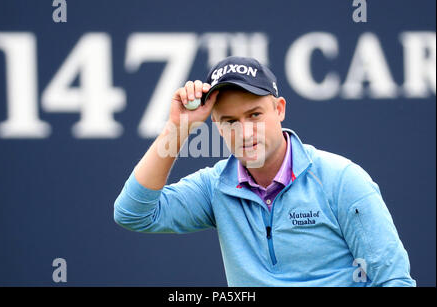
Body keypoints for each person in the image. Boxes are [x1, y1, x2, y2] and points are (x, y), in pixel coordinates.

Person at [114, 56, 416, 287]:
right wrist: (178, 129)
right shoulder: (215, 186)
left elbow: (394, 280)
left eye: (254, 115)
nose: (245, 132)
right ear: (216, 127)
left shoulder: (341, 179)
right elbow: (133, 214)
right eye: (230, 122)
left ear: (280, 110)